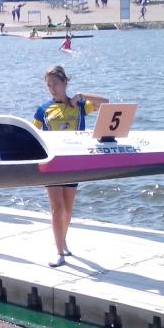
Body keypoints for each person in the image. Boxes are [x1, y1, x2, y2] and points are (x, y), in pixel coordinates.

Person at [32, 65, 110, 267]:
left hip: (75, 162)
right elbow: (32, 134)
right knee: (57, 209)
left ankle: (63, 239)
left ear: (65, 83)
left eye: (55, 84)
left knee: (67, 209)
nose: (52, 89)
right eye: (48, 85)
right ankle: (59, 253)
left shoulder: (80, 106)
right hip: (52, 162)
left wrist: (82, 96)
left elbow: (106, 103)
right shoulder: (43, 109)